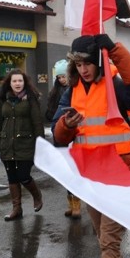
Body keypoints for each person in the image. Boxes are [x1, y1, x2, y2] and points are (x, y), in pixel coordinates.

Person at [52, 33, 130, 258]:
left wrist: (115, 49)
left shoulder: (115, 86)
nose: (82, 69)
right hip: (89, 173)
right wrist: (66, 125)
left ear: (98, 61)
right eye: (77, 64)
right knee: (100, 233)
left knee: (108, 240)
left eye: (87, 63)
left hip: (119, 168)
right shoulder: (73, 91)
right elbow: (57, 135)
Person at [0, 69, 45, 221]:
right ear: (10, 83)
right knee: (12, 177)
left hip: (26, 143)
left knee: (23, 175)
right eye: (14, 81)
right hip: (7, 143)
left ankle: (36, 195)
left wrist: (41, 144)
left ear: (24, 82)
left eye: (20, 81)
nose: (17, 84)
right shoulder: (3, 97)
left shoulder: (30, 98)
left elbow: (37, 122)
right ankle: (16, 208)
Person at [46, 59, 82, 219]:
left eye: (64, 76)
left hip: (73, 135)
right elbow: (50, 113)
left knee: (75, 171)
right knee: (66, 171)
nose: (62, 79)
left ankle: (77, 204)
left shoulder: (76, 90)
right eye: (59, 77)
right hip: (60, 135)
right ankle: (70, 203)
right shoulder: (55, 92)